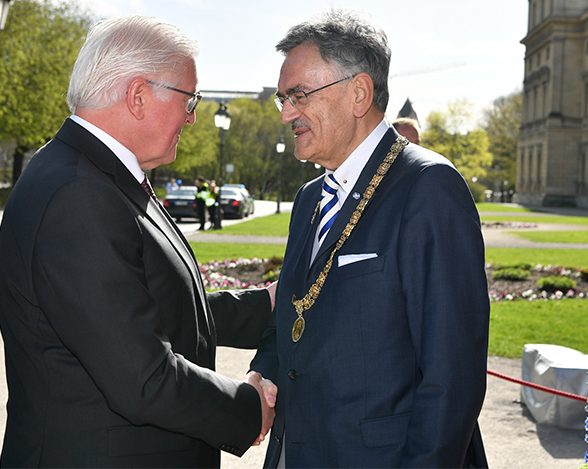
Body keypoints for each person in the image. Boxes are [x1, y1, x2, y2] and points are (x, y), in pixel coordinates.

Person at [0, 16, 277, 468]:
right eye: (190, 99)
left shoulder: (94, 176)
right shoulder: (78, 192)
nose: (193, 116)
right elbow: (142, 377)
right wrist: (247, 408)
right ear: (137, 95)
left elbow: (151, 306)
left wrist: (261, 305)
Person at [250, 9, 489, 468]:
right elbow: (300, 314)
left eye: (298, 95)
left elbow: (451, 377)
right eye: (282, 98)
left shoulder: (428, 188)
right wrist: (265, 369)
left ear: (358, 93)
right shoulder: (309, 198)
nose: (285, 114)